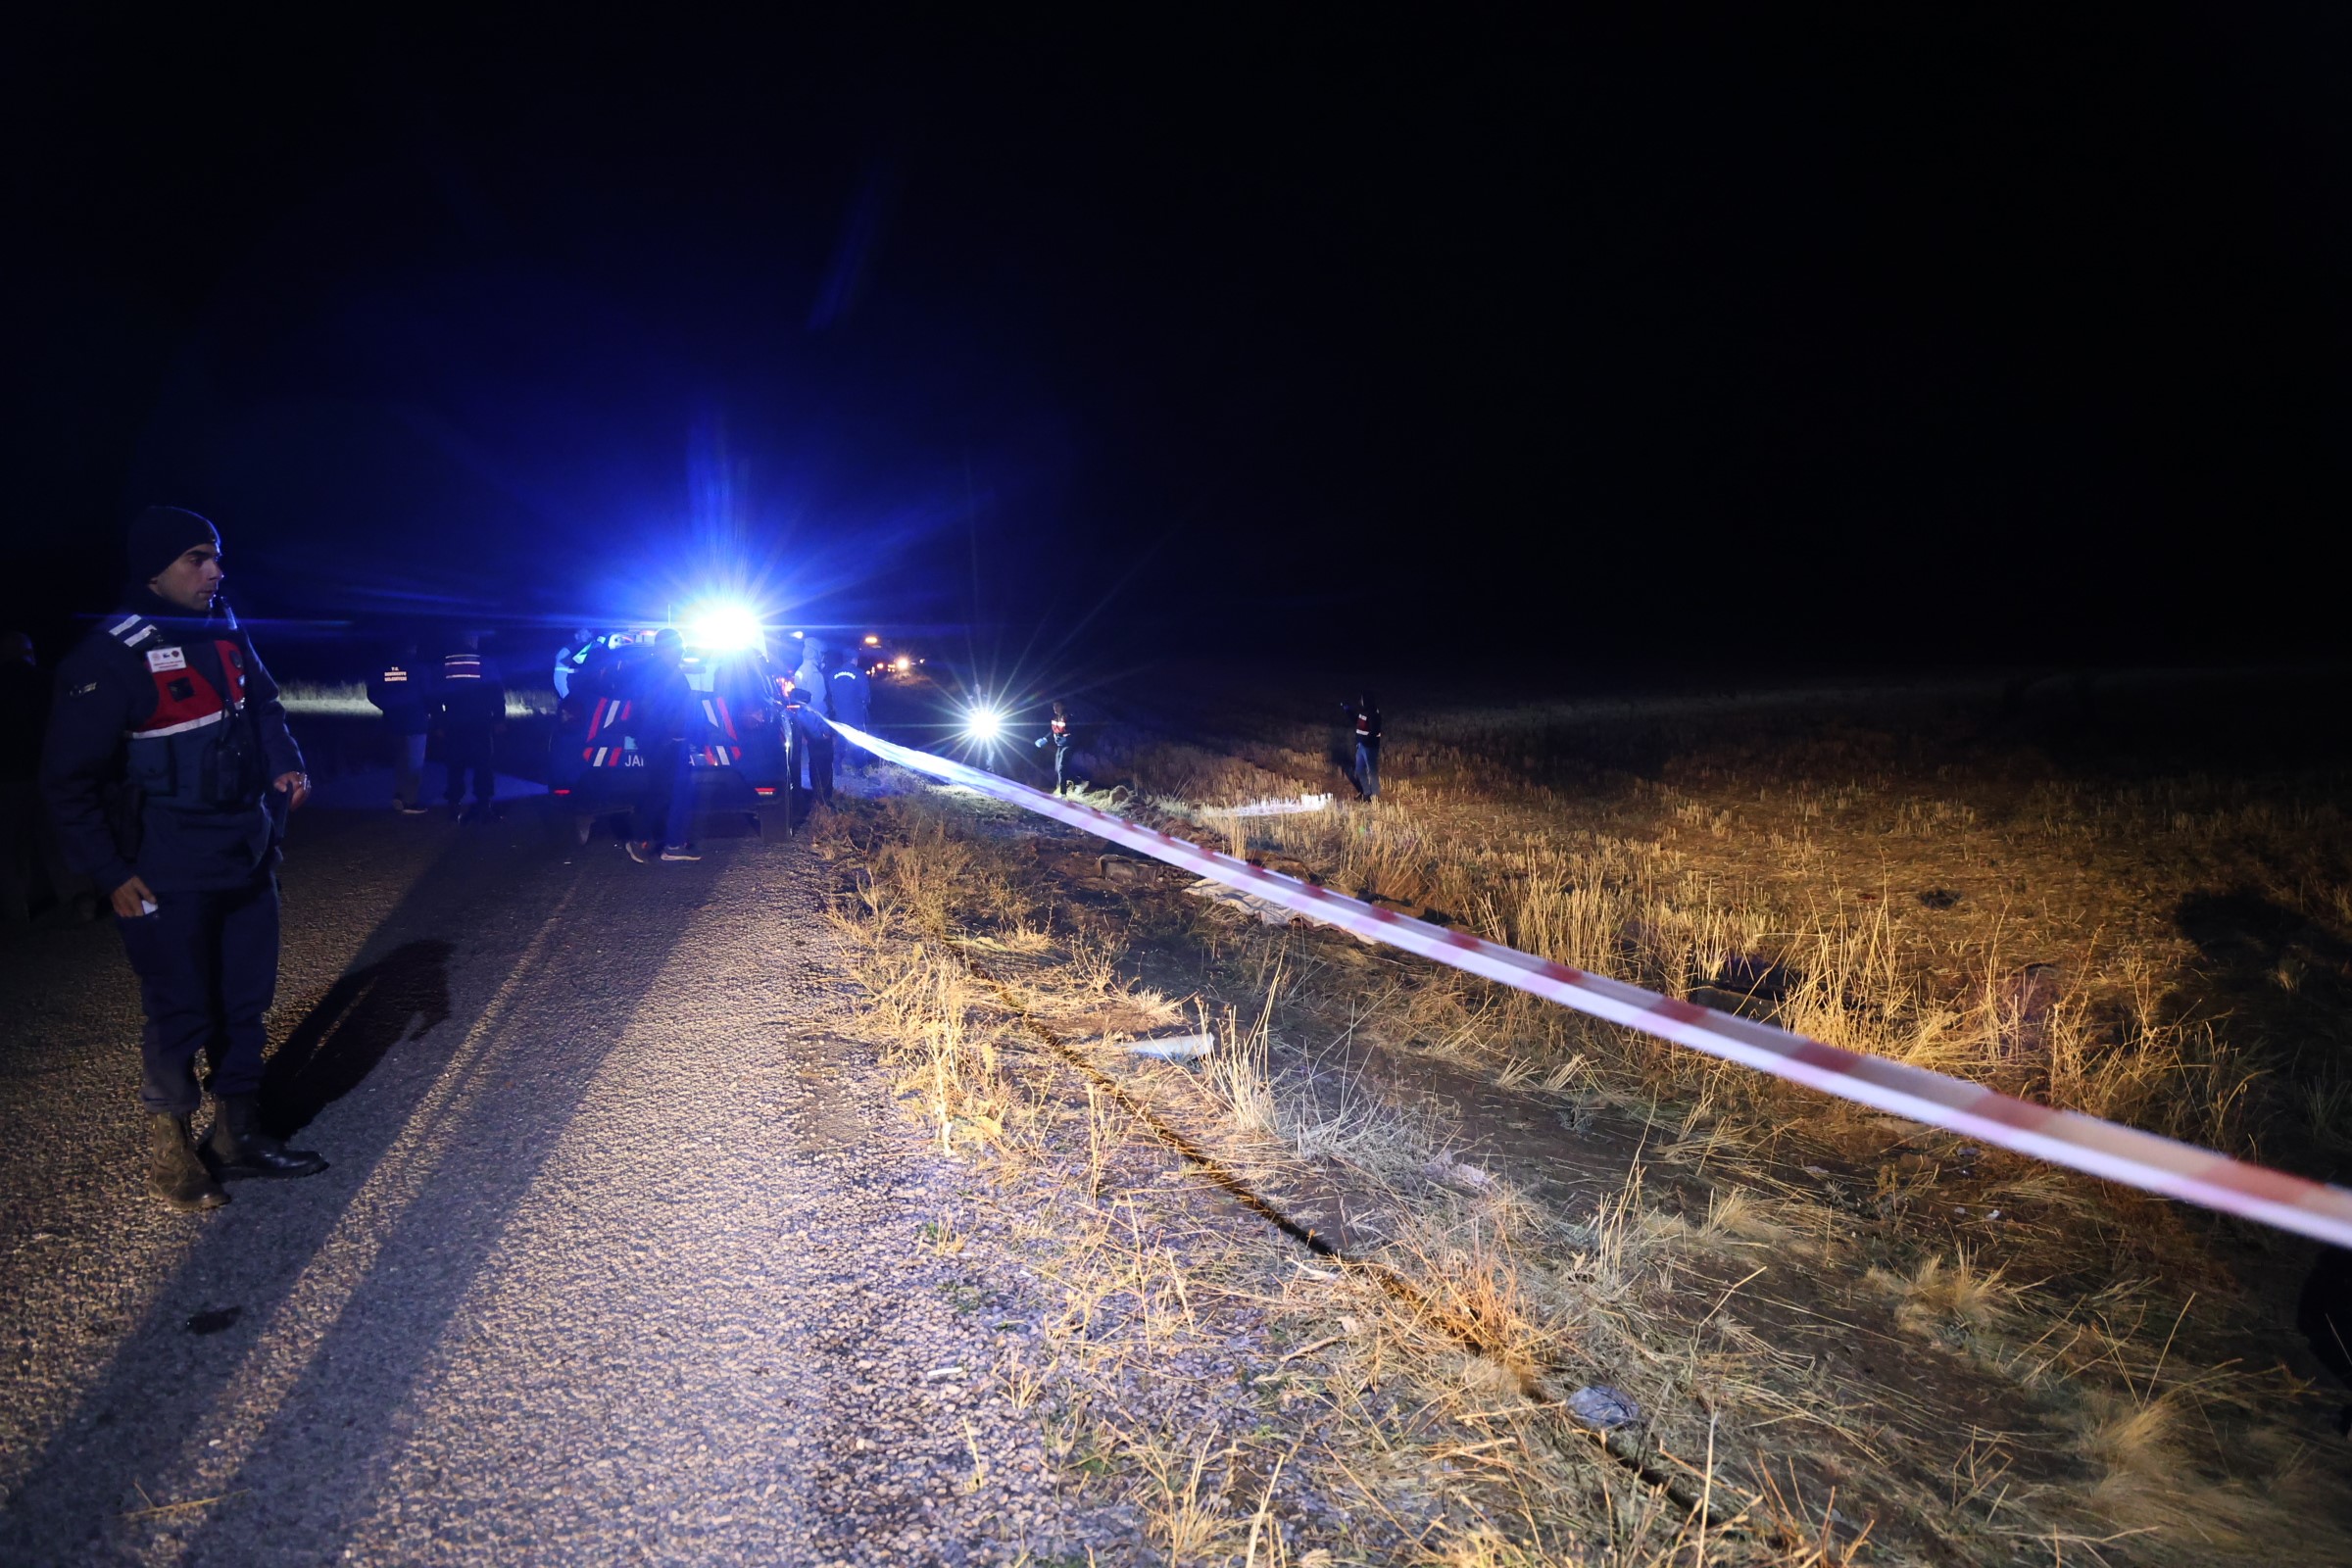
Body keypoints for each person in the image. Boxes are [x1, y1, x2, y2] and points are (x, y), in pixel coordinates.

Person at [40, 506, 324, 1211]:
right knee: (180, 1008)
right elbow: (67, 782)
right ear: (154, 570)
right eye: (197, 559)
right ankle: (172, 1151)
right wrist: (110, 873)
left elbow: (265, 708)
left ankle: (238, 1136)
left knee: (245, 1002)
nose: (215, 572)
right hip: (165, 864)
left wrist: (285, 766)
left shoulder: (223, 625)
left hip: (246, 850)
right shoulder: (109, 654)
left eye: (217, 556)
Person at [625, 628, 700, 863]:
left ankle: (663, 841)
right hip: (663, 741)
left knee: (666, 790)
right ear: (667, 648)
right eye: (679, 646)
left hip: (665, 739)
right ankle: (663, 843)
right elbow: (655, 708)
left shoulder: (663, 670)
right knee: (673, 791)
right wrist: (670, 735)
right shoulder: (659, 673)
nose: (682, 651)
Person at [434, 630, 506, 822]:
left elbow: (435, 696)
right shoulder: (486, 662)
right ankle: (484, 805)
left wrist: (439, 722)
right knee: (483, 764)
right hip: (480, 722)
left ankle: (453, 805)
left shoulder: (446, 664)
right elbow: (497, 693)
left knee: (455, 765)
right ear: (473, 640)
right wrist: (499, 719)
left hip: (453, 722)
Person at [367, 643, 433, 814]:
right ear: (412, 649)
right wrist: (427, 711)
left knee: (401, 761)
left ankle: (399, 795)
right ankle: (410, 802)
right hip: (416, 723)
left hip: (392, 722)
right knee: (414, 764)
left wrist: (388, 707)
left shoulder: (383, 669)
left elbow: (372, 692)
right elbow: (428, 694)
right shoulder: (420, 669)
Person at [789, 640, 835, 807]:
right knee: (823, 762)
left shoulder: (801, 670)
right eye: (822, 654)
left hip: (806, 722)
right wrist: (824, 730)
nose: (823, 657)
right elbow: (818, 705)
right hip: (816, 725)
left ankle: (818, 797)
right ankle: (824, 800)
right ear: (816, 653)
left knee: (814, 761)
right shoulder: (814, 674)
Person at [827, 648, 871, 766]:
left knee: (841, 738)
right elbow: (865, 695)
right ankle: (860, 768)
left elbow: (831, 692)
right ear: (854, 659)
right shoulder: (860, 674)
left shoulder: (833, 673)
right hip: (856, 714)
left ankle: (836, 764)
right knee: (858, 740)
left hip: (839, 713)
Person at [1340, 692, 1383, 800]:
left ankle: (1375, 796)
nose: (1360, 702)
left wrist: (1367, 741)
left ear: (1367, 701)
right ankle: (1366, 793)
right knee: (1359, 770)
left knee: (1371, 771)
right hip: (1361, 746)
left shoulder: (1374, 713)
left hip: (1369, 747)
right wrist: (1348, 710)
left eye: (1362, 700)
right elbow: (1356, 722)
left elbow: (1375, 731)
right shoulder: (1363, 712)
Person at [1033, 700, 1077, 795]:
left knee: (1061, 767)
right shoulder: (1055, 718)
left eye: (1057, 706)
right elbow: (1053, 731)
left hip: (1068, 745)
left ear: (1063, 706)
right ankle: (1076, 781)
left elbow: (1074, 731)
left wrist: (1066, 738)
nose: (1055, 708)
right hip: (1060, 745)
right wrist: (1045, 739)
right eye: (1054, 706)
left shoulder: (1068, 717)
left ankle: (1063, 793)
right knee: (1058, 768)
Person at [552, 627, 593, 701]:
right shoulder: (568, 651)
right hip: (572, 696)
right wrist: (567, 699)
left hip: (588, 696)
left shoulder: (591, 650)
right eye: (584, 634)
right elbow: (559, 677)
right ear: (577, 636)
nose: (588, 636)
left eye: (589, 634)